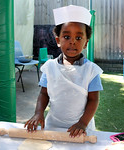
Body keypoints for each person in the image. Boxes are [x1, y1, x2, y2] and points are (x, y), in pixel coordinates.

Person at [24, 5, 103, 138]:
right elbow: (44, 94)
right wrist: (38, 113)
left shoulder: (91, 70)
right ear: (58, 40)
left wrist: (82, 123)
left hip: (80, 129)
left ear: (85, 43)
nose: (72, 42)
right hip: (53, 126)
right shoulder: (49, 67)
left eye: (78, 38)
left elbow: (93, 100)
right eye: (66, 37)